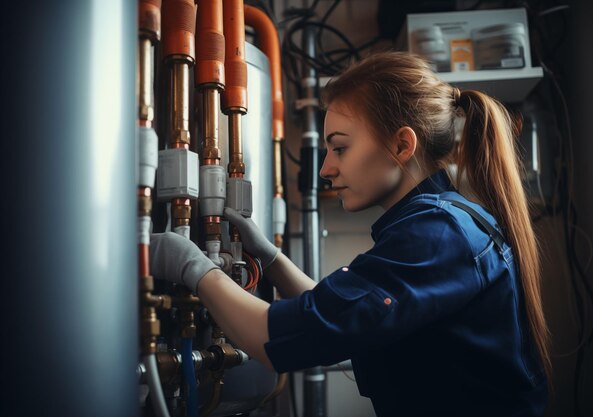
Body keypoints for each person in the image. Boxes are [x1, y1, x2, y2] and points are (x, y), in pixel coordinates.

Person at [150, 51, 550, 416]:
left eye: (339, 148)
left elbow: (272, 338)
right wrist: (271, 260)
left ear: (402, 144)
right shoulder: (444, 223)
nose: (326, 169)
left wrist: (192, 266)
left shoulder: (436, 237)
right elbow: (338, 315)